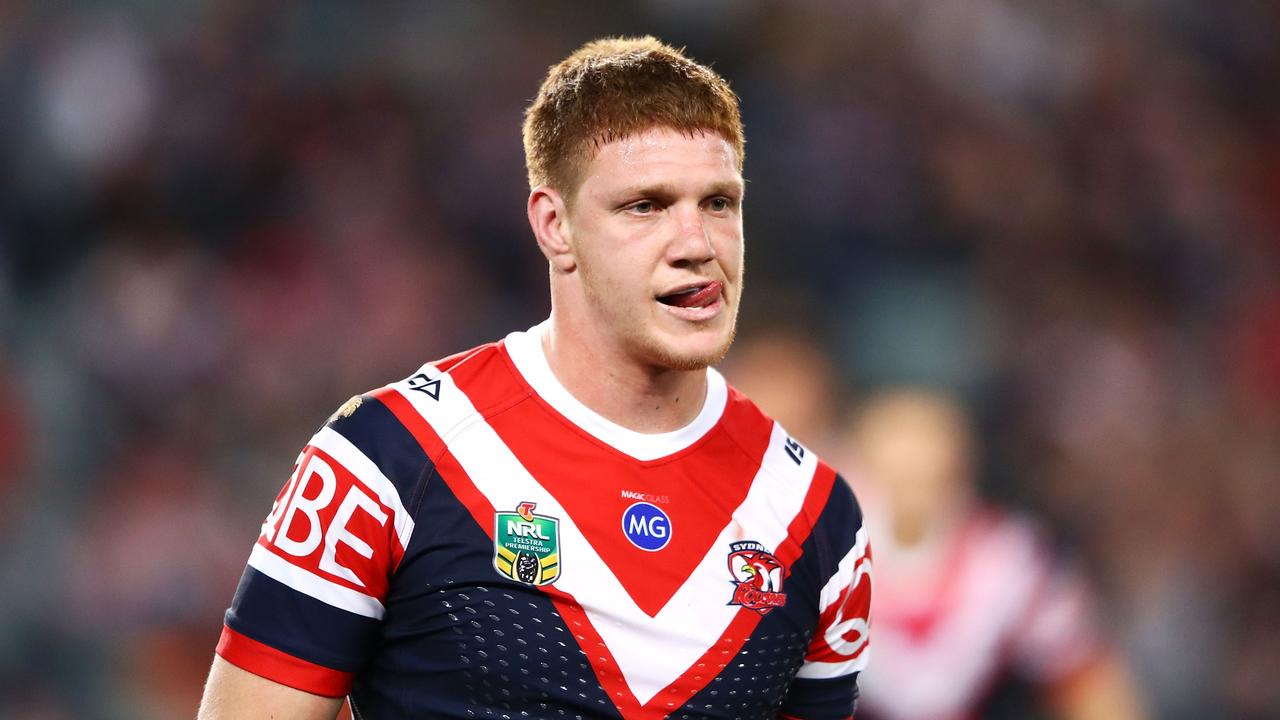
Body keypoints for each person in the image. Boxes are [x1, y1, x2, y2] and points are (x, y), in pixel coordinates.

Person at [198, 37, 871, 720]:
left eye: (720, 203)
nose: (696, 244)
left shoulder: (817, 517)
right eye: (646, 205)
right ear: (556, 226)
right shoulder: (386, 460)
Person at [842, 389, 1146, 720]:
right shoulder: (816, 559)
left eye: (930, 435)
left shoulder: (1012, 559)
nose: (915, 460)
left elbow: (1090, 682)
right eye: (896, 434)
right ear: (859, 448)